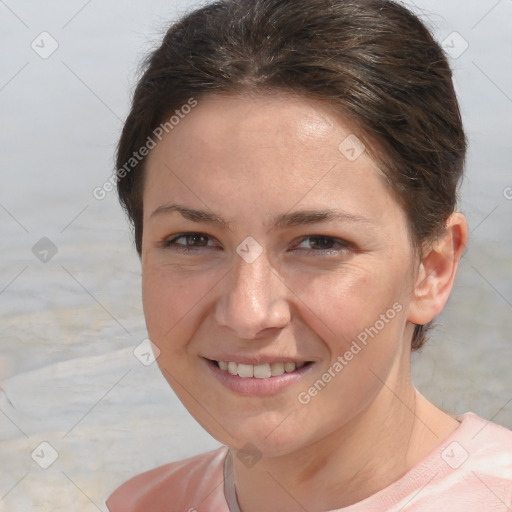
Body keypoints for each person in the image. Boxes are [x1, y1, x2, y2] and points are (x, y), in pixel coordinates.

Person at [106, 0, 512, 510]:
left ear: (431, 270)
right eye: (193, 239)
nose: (248, 313)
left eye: (320, 243)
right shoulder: (145, 503)